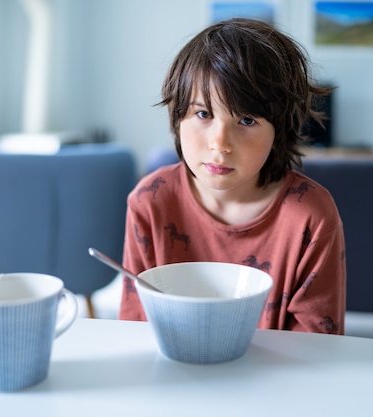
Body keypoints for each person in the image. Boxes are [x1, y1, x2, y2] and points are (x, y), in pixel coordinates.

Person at [119, 18, 346, 334]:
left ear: (278, 130)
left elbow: (317, 348)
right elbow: (134, 331)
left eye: (247, 120)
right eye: (203, 114)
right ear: (178, 116)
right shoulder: (150, 201)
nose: (220, 144)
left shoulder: (311, 216)